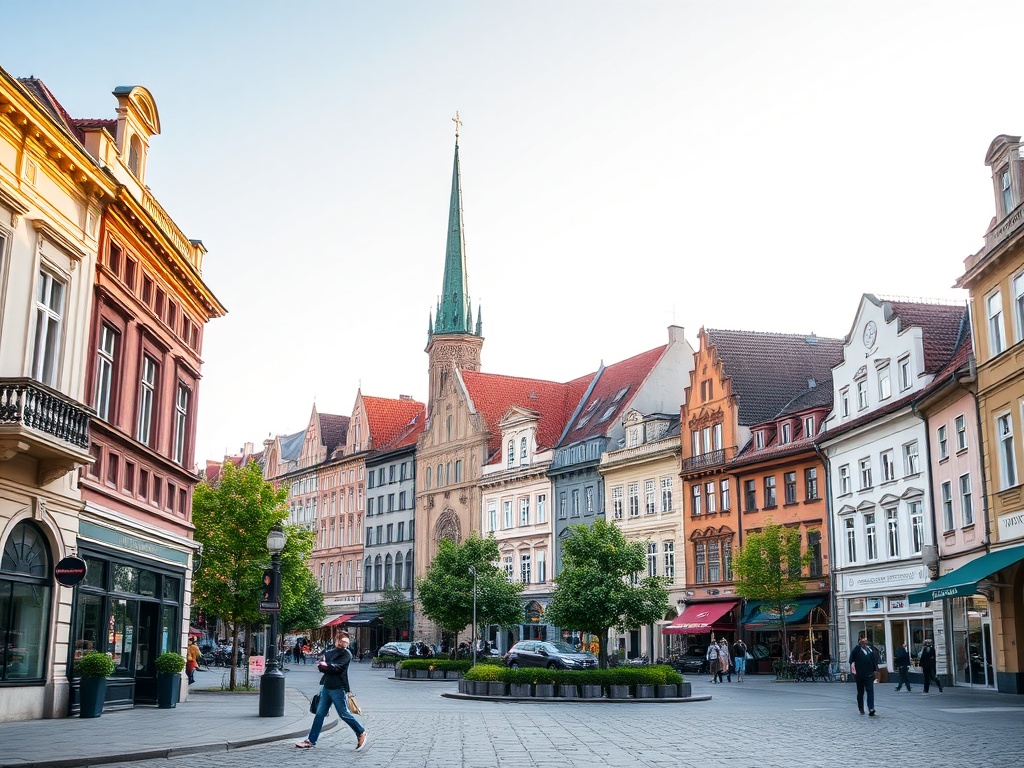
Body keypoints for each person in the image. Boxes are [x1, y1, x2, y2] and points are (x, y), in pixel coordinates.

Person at [296, 629, 367, 752]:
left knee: (344, 714)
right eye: (340, 639)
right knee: (319, 714)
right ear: (336, 640)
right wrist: (325, 665)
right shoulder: (330, 652)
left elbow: (336, 668)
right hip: (327, 687)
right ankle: (311, 740)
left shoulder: (346, 654)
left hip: (338, 687)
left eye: (344, 640)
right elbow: (323, 665)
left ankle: (361, 732)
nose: (342, 642)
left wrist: (325, 665)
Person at [849, 633, 880, 716]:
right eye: (862, 640)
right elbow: (851, 660)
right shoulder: (857, 650)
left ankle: (871, 708)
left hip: (869, 674)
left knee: (870, 691)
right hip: (859, 675)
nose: (864, 642)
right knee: (860, 692)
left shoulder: (870, 650)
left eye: (865, 640)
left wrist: (875, 670)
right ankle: (861, 708)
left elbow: (875, 659)